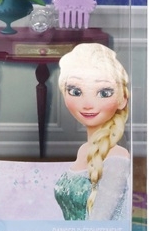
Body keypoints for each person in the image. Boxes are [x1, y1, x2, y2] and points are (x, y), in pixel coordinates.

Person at [54, 43, 130, 220]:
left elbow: (99, 223)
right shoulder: (84, 150)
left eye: (104, 93)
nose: (87, 104)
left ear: (122, 99)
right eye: (75, 91)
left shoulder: (117, 159)